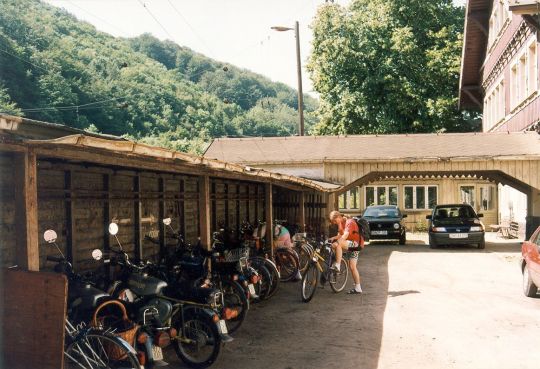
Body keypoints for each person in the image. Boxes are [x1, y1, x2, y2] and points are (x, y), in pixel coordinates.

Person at [329, 210, 363, 294]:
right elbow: (340, 235)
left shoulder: (350, 222)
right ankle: (358, 288)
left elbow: (345, 235)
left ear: (339, 217)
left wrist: (337, 242)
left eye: (335, 221)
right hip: (350, 244)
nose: (334, 223)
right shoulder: (342, 223)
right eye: (333, 222)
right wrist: (333, 238)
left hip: (356, 244)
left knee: (338, 244)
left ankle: (337, 265)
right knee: (352, 267)